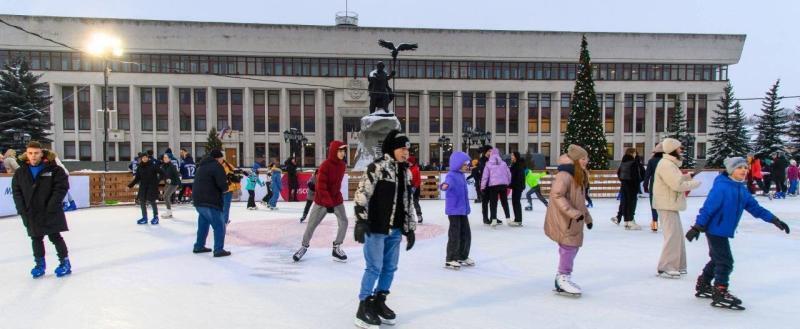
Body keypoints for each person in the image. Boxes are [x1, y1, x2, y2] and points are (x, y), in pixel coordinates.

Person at [686, 157, 791, 310]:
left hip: (723, 229)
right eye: (739, 168)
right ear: (730, 170)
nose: (744, 170)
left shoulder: (741, 189)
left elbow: (756, 208)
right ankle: (720, 291)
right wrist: (697, 227)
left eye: (745, 168)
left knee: (717, 259)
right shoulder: (721, 187)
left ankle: (703, 284)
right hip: (715, 229)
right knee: (725, 261)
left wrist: (774, 220)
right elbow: (708, 208)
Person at [353, 130, 416, 328]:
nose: (406, 152)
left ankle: (379, 302)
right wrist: (361, 221)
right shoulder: (377, 167)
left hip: (396, 230)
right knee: (374, 267)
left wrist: (410, 228)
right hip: (376, 228)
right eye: (402, 148)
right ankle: (364, 307)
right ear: (392, 148)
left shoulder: (405, 171)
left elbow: (408, 202)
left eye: (407, 149)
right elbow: (362, 193)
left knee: (390, 268)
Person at [12, 141, 72, 278]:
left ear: (41, 153)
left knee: (55, 237)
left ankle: (65, 263)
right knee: (36, 238)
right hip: (31, 212)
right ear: (26, 154)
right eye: (30, 153)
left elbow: (61, 188)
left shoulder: (54, 169)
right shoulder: (20, 172)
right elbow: (17, 192)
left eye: (36, 153)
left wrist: (52, 205)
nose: (33, 156)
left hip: (50, 210)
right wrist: (22, 210)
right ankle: (39, 264)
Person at [543, 144, 593, 297]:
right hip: (565, 219)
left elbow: (580, 201)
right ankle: (563, 277)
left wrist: (587, 218)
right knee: (568, 247)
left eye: (586, 158)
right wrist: (572, 213)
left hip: (574, 219)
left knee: (572, 247)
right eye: (583, 159)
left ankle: (563, 277)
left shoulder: (579, 174)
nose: (586, 161)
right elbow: (557, 195)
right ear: (576, 160)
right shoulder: (564, 175)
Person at [293, 141, 349, 262]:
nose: (343, 153)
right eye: (340, 151)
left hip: (336, 199)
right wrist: (328, 203)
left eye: (344, 151)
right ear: (334, 151)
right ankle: (303, 247)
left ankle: (337, 247)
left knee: (344, 222)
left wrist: (334, 200)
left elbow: (336, 185)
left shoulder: (342, 166)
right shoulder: (325, 165)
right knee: (311, 225)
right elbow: (321, 187)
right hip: (322, 200)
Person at [652, 138, 701, 278]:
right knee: (672, 236)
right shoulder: (667, 165)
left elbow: (676, 180)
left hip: (669, 204)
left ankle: (677, 264)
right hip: (666, 204)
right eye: (680, 148)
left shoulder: (670, 164)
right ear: (673, 149)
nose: (681, 150)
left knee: (677, 235)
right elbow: (676, 185)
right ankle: (667, 266)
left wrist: (688, 176)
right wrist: (694, 184)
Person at [192, 149, 231, 257]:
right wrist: (228, 184)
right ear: (218, 158)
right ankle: (218, 249)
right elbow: (223, 186)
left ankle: (199, 246)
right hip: (210, 201)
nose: (223, 160)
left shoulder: (201, 166)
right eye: (222, 158)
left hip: (198, 201)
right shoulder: (217, 166)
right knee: (219, 225)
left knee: (203, 224)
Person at [440, 151, 473, 270]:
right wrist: (444, 186)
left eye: (467, 164)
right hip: (454, 210)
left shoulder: (461, 175)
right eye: (464, 164)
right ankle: (451, 258)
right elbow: (446, 183)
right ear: (457, 164)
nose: (466, 166)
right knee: (455, 234)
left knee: (466, 233)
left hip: (462, 209)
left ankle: (462, 256)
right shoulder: (452, 175)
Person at [612, 148, 645, 230]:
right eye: (634, 153)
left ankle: (626, 221)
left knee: (626, 203)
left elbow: (619, 173)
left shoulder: (623, 162)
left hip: (624, 184)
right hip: (632, 185)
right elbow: (640, 173)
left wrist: (623, 180)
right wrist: (638, 181)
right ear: (632, 153)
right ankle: (630, 221)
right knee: (631, 203)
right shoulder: (634, 162)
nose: (635, 154)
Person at [128, 152, 164, 225]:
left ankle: (155, 217)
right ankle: (144, 217)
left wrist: (157, 181)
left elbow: (162, 173)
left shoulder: (153, 165)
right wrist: (129, 186)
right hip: (143, 187)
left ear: (148, 158)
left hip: (152, 186)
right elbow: (137, 178)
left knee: (152, 201)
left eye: (146, 157)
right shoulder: (140, 167)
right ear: (141, 159)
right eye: (143, 158)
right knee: (142, 202)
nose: (145, 159)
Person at [480, 148, 511, 227]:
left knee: (493, 203)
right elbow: (509, 174)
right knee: (504, 202)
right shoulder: (503, 163)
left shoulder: (488, 164)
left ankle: (493, 220)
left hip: (493, 186)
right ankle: (508, 219)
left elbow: (485, 177)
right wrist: (508, 182)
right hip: (503, 185)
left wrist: (482, 187)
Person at [643, 143, 664, 232]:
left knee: (654, 205)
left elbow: (647, 174)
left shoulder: (651, 161)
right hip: (664, 185)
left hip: (654, 185)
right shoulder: (666, 161)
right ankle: (665, 224)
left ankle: (654, 224)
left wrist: (645, 185)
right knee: (664, 205)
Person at [508, 151, 527, 227]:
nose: (511, 156)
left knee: (516, 203)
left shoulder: (518, 165)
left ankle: (518, 220)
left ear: (516, 156)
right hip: (516, 186)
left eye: (512, 155)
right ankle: (517, 219)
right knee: (515, 202)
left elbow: (519, 177)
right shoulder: (515, 164)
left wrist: (512, 185)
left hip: (517, 187)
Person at [221, 160, 242, 224]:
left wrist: (238, 188)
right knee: (225, 207)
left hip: (224, 189)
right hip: (226, 189)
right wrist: (238, 188)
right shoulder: (228, 166)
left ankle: (224, 220)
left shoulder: (228, 166)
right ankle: (224, 221)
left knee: (223, 207)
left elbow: (235, 178)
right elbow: (235, 178)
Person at [161, 154, 181, 219]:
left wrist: (179, 184)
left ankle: (169, 212)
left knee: (165, 196)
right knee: (166, 196)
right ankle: (168, 212)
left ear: (169, 159)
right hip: (167, 184)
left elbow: (176, 176)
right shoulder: (163, 166)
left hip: (174, 183)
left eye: (166, 157)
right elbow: (162, 175)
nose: (165, 159)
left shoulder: (172, 166)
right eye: (164, 157)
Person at [408, 156, 423, 224]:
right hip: (409, 187)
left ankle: (419, 215)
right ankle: (408, 217)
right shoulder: (407, 169)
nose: (408, 163)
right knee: (407, 203)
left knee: (415, 203)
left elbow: (418, 180)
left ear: (412, 162)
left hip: (415, 189)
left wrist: (414, 187)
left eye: (410, 162)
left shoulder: (416, 169)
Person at [477, 146, 492, 219]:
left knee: (493, 201)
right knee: (485, 202)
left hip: (492, 183)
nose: (490, 152)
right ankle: (485, 218)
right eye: (489, 151)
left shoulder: (493, 159)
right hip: (485, 184)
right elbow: (482, 171)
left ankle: (493, 217)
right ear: (485, 152)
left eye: (491, 151)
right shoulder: (482, 160)